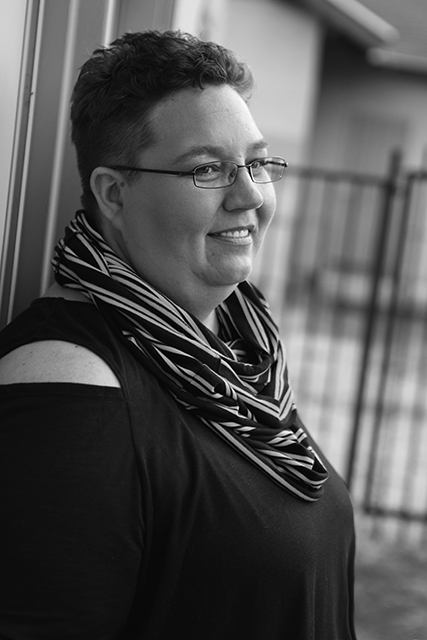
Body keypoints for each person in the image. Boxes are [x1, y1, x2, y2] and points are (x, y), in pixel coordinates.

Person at [0, 30, 356, 639]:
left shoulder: (237, 353)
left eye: (257, 163)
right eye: (207, 169)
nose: (250, 196)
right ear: (114, 193)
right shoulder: (69, 388)